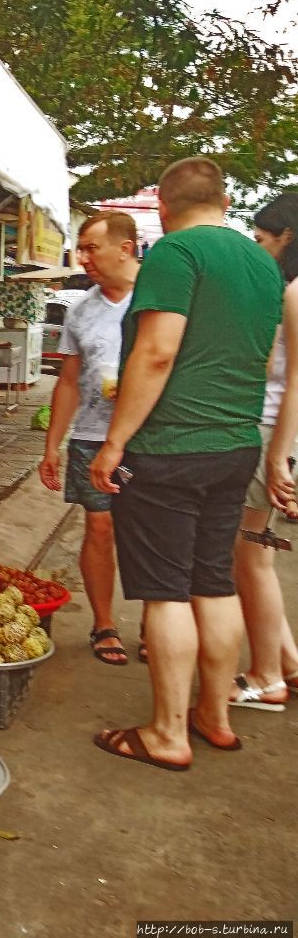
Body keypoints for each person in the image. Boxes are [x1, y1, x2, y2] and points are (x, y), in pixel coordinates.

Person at [89, 157, 284, 770]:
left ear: (165, 209)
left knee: (165, 591)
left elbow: (157, 351)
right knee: (213, 581)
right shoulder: (262, 262)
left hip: (172, 446)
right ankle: (214, 715)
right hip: (235, 444)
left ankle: (168, 733)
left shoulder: (177, 253)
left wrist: (116, 441)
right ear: (224, 202)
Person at [38, 211, 140, 666]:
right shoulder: (81, 309)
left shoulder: (162, 299)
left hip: (150, 438)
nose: (83, 259)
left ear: (126, 247)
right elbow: (68, 381)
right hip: (92, 435)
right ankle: (103, 622)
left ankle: (158, 625)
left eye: (92, 248)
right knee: (99, 528)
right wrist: (52, 445)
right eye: (80, 249)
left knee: (149, 532)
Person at [228, 194, 298, 710]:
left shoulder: (293, 292)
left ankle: (266, 676)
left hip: (271, 434)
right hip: (273, 434)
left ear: (286, 237)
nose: (257, 248)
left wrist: (277, 457)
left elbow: (295, 380)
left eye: (261, 239)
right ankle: (289, 665)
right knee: (252, 557)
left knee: (251, 559)